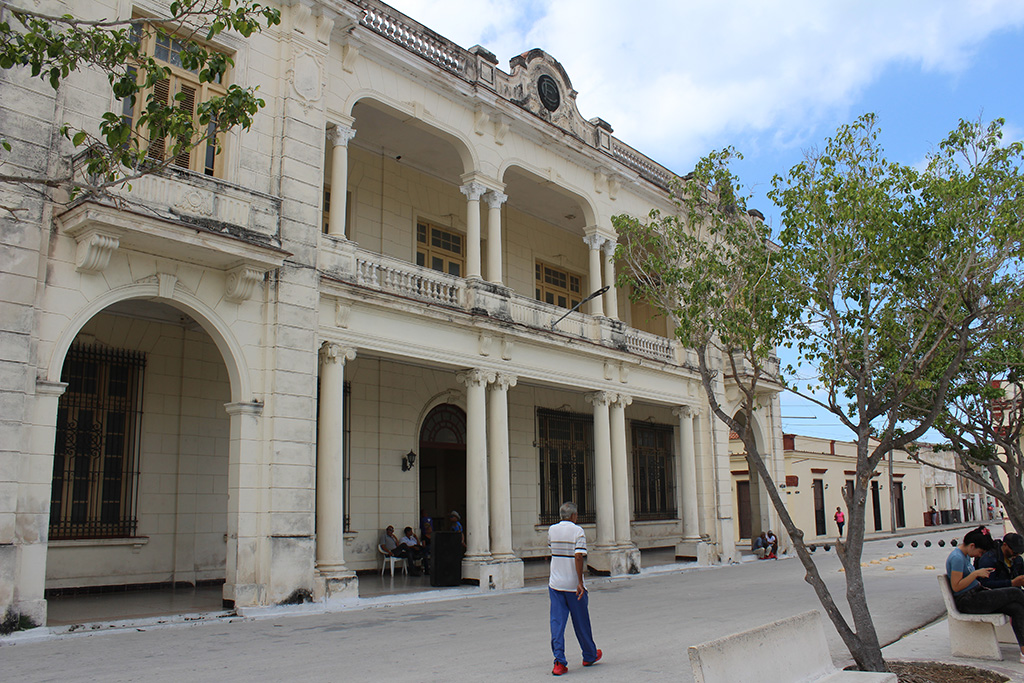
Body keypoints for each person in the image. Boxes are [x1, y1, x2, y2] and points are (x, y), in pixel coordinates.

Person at [947, 526, 1024, 663]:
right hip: (968, 600)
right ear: (972, 546)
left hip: (976, 594)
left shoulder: (963, 557)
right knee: (1016, 592)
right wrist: (976, 574)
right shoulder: (957, 558)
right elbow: (956, 586)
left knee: (1016, 608)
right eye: (980, 552)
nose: (980, 555)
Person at [548, 501, 600, 676]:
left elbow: (552, 551)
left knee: (557, 623)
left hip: (555, 584)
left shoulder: (552, 530)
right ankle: (589, 655)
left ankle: (559, 662)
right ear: (574, 516)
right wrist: (579, 581)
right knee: (581, 622)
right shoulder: (578, 531)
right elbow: (578, 556)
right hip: (573, 586)